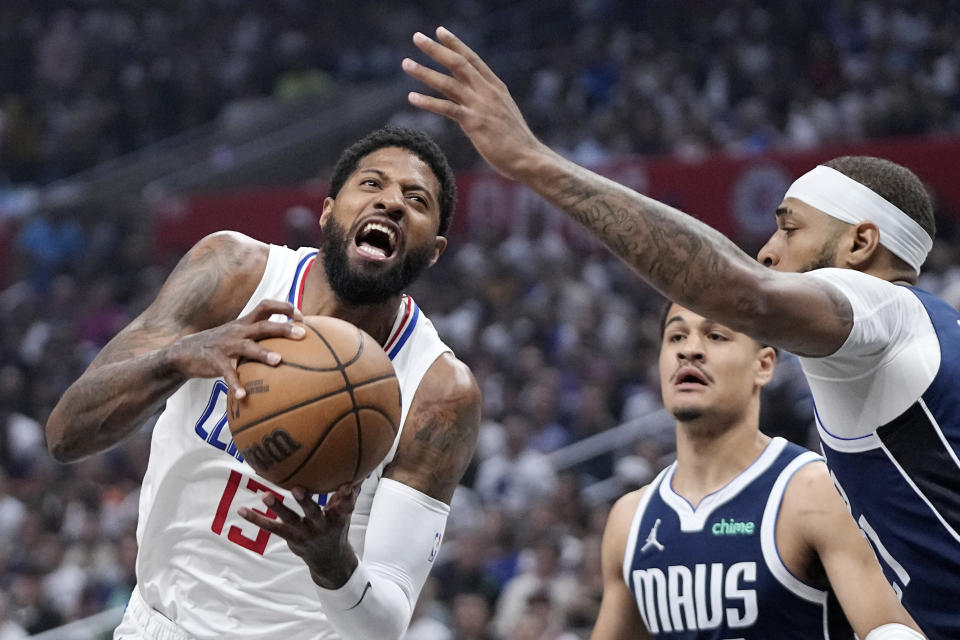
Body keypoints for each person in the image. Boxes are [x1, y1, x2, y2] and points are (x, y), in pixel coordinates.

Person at [403, 28, 954, 639]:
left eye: (790, 229)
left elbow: (738, 290)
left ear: (859, 243)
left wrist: (531, 160)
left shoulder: (882, 311)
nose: (767, 252)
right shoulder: (925, 337)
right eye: (676, 335)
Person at [44, 126, 482, 640]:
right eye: (372, 184)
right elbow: (65, 434)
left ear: (434, 249)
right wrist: (179, 358)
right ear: (326, 209)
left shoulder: (439, 390)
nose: (391, 203)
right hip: (158, 625)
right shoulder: (234, 274)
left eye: (416, 199)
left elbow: (383, 627)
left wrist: (332, 561)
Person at [591, 302, 920, 639]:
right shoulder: (629, 521)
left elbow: (894, 630)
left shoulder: (813, 490)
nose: (690, 350)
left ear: (763, 366)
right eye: (676, 337)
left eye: (716, 336)